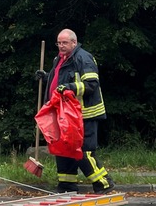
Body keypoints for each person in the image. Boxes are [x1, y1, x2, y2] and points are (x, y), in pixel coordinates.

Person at [36, 29, 115, 192]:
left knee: (83, 151)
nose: (61, 46)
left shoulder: (83, 58)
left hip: (84, 114)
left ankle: (103, 182)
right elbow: (60, 78)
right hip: (66, 115)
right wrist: (46, 77)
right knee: (64, 150)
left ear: (74, 42)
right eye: (59, 42)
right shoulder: (60, 59)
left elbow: (92, 85)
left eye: (64, 42)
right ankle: (67, 185)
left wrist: (70, 87)